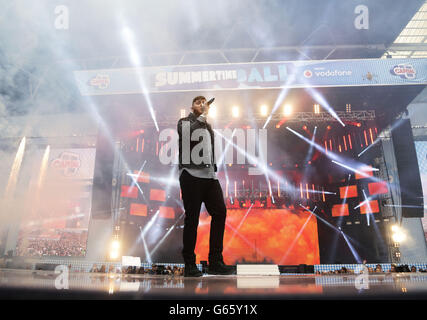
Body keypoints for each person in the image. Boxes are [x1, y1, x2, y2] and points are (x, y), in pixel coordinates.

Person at [177, 96, 234, 277]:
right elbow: (188, 136)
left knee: (220, 212)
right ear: (191, 106)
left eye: (204, 102)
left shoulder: (207, 126)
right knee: (192, 219)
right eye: (198, 102)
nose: (202, 104)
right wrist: (202, 116)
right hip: (191, 176)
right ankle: (189, 264)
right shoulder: (184, 122)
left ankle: (215, 261)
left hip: (209, 177)